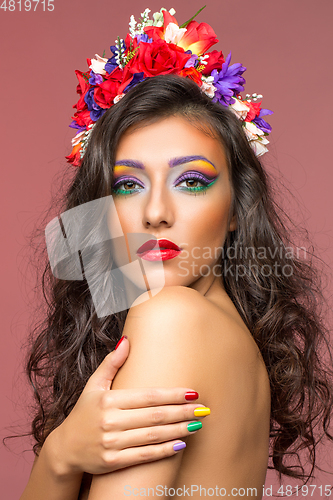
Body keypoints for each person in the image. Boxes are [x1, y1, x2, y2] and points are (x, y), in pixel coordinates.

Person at [19, 6, 333, 500]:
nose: (155, 212)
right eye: (128, 185)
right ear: (102, 210)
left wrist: (59, 459)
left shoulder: (170, 317)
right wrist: (62, 455)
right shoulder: (223, 330)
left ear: (236, 208)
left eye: (190, 181)